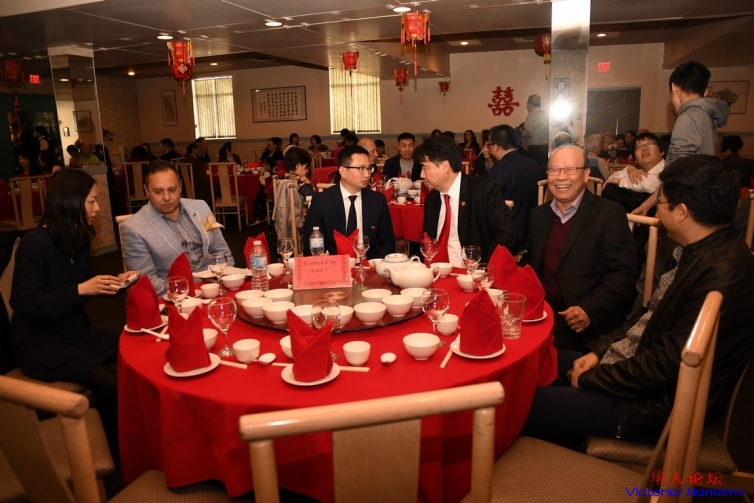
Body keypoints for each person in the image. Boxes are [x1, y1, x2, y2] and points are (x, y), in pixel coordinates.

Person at [525, 155, 754, 444]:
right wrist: (597, 353)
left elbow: (665, 367)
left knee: (519, 401)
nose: (657, 211)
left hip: (653, 405)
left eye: (661, 202)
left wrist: (590, 378)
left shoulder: (721, 274)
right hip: (635, 367)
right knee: (531, 363)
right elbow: (644, 321)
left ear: (682, 212)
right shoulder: (701, 251)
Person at [9, 169, 140, 455]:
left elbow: (80, 288)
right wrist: (80, 290)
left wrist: (115, 283)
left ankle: (132, 433)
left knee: (137, 352)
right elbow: (24, 303)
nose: (97, 209)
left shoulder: (78, 237)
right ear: (70, 202)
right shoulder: (35, 244)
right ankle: (117, 452)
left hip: (75, 332)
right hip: (39, 343)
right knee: (111, 384)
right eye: (91, 201)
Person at [522, 145, 637, 351]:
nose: (561, 177)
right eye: (554, 170)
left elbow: (623, 273)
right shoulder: (538, 215)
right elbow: (531, 261)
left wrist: (589, 310)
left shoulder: (609, 213)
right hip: (542, 314)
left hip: (585, 322)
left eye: (569, 169)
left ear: (585, 175)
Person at [121, 161, 234, 297]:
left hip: (216, 286)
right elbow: (146, 281)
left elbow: (222, 252)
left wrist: (221, 282)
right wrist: (191, 291)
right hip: (176, 297)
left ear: (180, 186)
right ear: (146, 190)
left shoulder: (200, 207)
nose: (167, 197)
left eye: (172, 190)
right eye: (158, 192)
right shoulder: (134, 228)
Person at [632, 61, 729, 216]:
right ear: (705, 92)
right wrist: (649, 203)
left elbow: (677, 170)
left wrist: (663, 205)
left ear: (674, 87)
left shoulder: (687, 117)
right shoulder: (706, 116)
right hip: (701, 197)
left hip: (685, 202)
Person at [419, 136, 517, 267]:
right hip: (437, 272)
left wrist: (485, 268)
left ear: (444, 166)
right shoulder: (432, 200)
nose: (422, 175)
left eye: (425, 168)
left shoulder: (483, 191)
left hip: (473, 272)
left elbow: (507, 234)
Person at [303, 145, 395, 258]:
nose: (367, 174)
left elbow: (387, 243)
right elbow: (310, 246)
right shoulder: (322, 201)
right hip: (334, 264)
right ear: (343, 171)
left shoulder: (377, 200)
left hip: (368, 264)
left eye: (368, 168)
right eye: (361, 169)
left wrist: (373, 264)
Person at [487, 124, 543, 249]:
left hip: (511, 236)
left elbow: (492, 205)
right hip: (533, 231)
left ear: (496, 147)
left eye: (489, 145)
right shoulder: (533, 164)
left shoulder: (499, 170)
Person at [602, 132, 666, 213]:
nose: (644, 148)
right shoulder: (637, 170)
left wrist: (620, 181)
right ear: (635, 158)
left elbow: (650, 184)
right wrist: (629, 169)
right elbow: (611, 178)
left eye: (650, 144)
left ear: (662, 151)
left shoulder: (668, 169)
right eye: (639, 147)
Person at [180, 143, 213, 208]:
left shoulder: (182, 162)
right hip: (199, 194)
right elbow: (204, 182)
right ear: (193, 150)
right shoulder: (197, 163)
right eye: (200, 150)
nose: (202, 152)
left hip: (185, 192)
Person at [521, 94, 549, 166]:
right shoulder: (546, 114)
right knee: (543, 168)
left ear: (530, 104)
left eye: (527, 105)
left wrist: (523, 138)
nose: (527, 107)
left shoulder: (532, 115)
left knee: (533, 168)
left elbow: (528, 131)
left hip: (535, 148)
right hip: (545, 147)